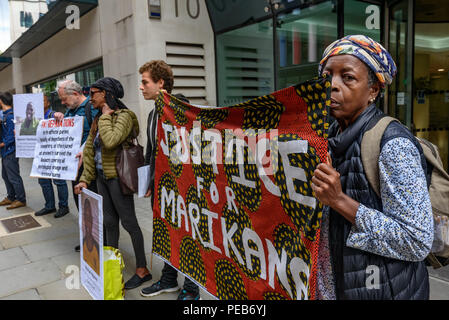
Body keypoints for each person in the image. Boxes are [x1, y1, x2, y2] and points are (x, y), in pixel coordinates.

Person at [312, 35, 433, 300]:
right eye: (327, 77)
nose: (332, 85)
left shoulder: (392, 145)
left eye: (348, 77)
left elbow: (417, 241)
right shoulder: (324, 138)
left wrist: (340, 201)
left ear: (373, 90)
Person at [74, 77, 152, 290]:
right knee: (109, 223)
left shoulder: (125, 116)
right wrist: (84, 179)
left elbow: (110, 141)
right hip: (101, 179)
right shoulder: (99, 118)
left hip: (118, 179)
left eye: (93, 93)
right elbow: (90, 150)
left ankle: (142, 269)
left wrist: (107, 117)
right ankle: (111, 264)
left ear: (106, 94)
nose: (90, 98)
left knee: (129, 223)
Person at [138, 60, 200, 300]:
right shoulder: (153, 113)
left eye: (145, 82)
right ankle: (168, 280)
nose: (141, 87)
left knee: (188, 234)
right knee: (165, 233)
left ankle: (192, 289)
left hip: (183, 188)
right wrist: (148, 180)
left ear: (160, 83)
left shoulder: (180, 106)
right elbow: (151, 151)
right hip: (161, 189)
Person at [55, 80, 99, 250]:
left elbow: (97, 132)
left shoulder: (92, 107)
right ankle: (88, 236)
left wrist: (84, 149)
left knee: (92, 204)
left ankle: (99, 240)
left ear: (75, 94)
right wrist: (58, 117)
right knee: (80, 203)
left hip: (88, 168)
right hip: (74, 168)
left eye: (64, 98)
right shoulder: (69, 111)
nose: (63, 102)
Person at [35, 94, 70, 218]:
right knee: (43, 181)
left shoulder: (53, 115)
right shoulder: (34, 118)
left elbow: (60, 119)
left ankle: (63, 206)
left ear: (48, 103)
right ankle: (49, 206)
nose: (40, 103)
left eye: (43, 101)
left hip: (55, 153)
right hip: (41, 155)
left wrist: (58, 115)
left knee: (59, 181)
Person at [0, 92, 26, 209]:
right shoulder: (5, 115)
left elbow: (12, 136)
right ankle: (11, 197)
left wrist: (2, 143)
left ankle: (20, 199)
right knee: (5, 176)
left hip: (10, 151)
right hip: (5, 152)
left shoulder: (10, 116)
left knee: (13, 176)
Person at [82, 197, 100, 276]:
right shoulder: (84, 242)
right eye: (85, 216)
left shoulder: (97, 247)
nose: (87, 222)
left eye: (89, 218)